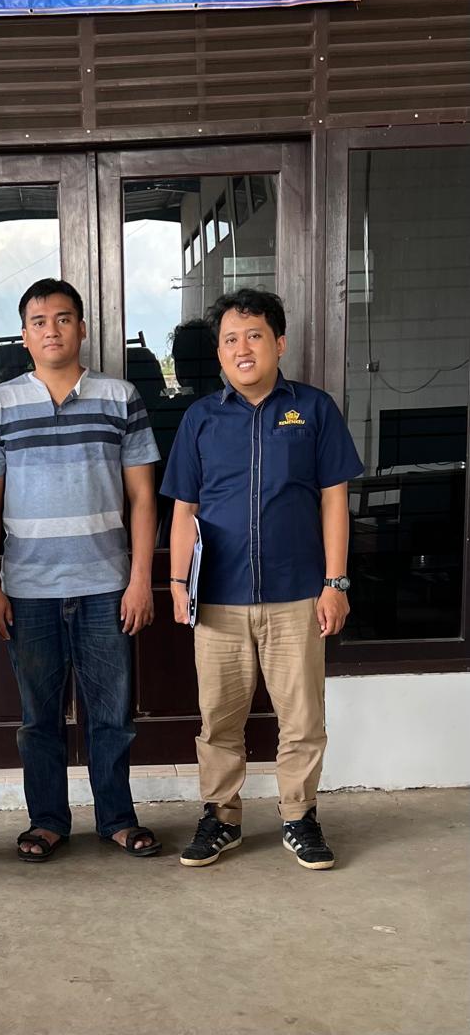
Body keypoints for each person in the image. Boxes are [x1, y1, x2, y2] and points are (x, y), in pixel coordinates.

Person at [162, 288, 363, 872]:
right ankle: (221, 818)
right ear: (219, 353)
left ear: (279, 343)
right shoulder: (201, 418)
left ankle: (300, 816)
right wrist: (177, 583)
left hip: (297, 594)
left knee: (302, 719)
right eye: (230, 339)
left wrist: (335, 583)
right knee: (219, 719)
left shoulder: (314, 410)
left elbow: (334, 500)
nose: (242, 348)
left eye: (254, 336)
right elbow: (184, 509)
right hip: (217, 598)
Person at [0, 279, 162, 862]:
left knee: (111, 716)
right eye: (38, 321)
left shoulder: (120, 397)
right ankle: (48, 821)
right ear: (24, 335)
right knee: (39, 719)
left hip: (106, 586)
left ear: (81, 327)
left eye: (62, 318)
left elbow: (144, 499)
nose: (51, 330)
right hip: (28, 590)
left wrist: (140, 580)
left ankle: (117, 819)